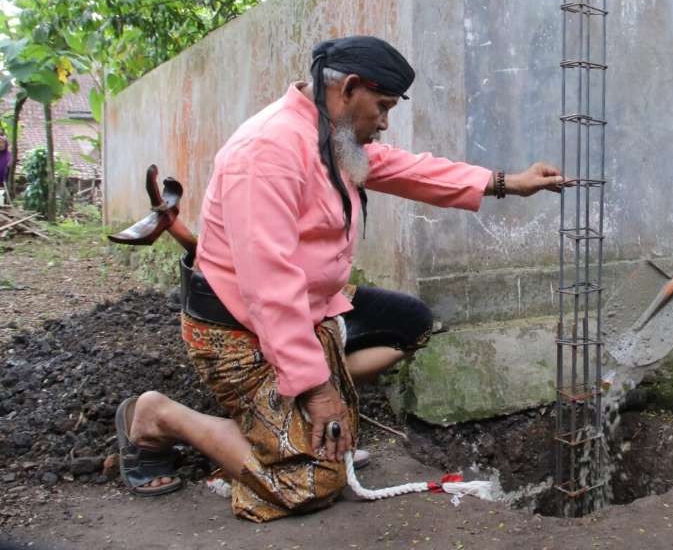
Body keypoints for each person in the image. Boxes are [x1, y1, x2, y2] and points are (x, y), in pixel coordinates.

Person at [114, 36, 564, 521]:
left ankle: (276, 418)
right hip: (240, 328)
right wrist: (319, 392)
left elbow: (403, 168)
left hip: (311, 309)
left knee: (409, 323)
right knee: (313, 480)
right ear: (349, 88)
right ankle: (159, 415)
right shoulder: (266, 152)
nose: (386, 122)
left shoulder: (331, 135)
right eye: (383, 106)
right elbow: (270, 290)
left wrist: (504, 183)